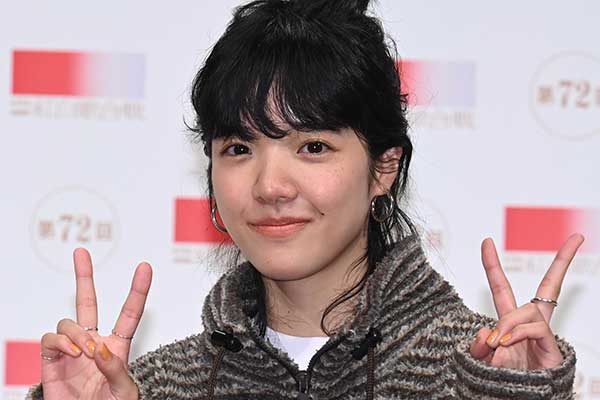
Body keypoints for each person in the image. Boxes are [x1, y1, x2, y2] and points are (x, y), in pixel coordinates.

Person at [28, 0, 584, 399]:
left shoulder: (478, 374)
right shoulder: (152, 388)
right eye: (239, 148)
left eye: (312, 146)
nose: (271, 186)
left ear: (384, 169)